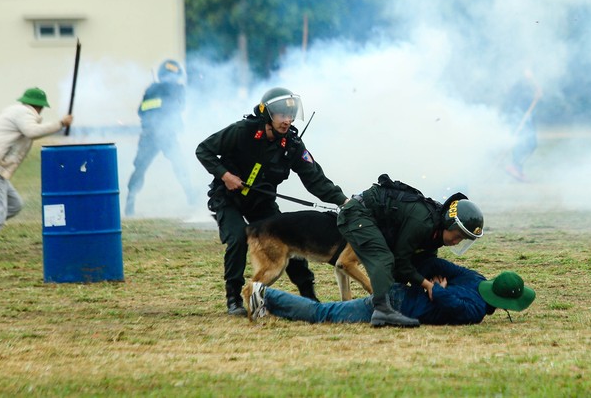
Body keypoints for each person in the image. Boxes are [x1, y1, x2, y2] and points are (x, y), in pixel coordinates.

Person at [195, 87, 349, 316]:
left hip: (261, 202)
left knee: (290, 234)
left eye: (291, 115)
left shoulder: (293, 145)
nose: (287, 120)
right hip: (227, 198)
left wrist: (343, 201)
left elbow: (315, 179)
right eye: (281, 115)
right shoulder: (242, 131)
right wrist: (225, 176)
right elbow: (203, 150)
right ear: (267, 114)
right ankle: (234, 298)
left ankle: (309, 295)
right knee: (238, 237)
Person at [336, 174, 484, 327]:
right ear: (449, 223)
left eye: (462, 240)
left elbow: (419, 264)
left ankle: (390, 302)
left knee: (403, 267)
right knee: (384, 258)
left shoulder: (435, 233)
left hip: (372, 219)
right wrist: (428, 286)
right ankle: (383, 310)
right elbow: (401, 261)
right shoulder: (423, 223)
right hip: (358, 214)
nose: (456, 242)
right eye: (458, 236)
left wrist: (436, 287)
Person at [245, 257, 535, 325]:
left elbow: (435, 263)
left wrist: (437, 285)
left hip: (398, 293)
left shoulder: (475, 277)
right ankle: (264, 294)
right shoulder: (474, 313)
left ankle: (265, 298)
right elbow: (449, 302)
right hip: (398, 305)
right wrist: (436, 289)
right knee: (324, 314)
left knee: (328, 311)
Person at [0, 87, 73, 236]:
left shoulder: (16, 111)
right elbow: (32, 131)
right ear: (41, 107)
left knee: (14, 205)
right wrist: (61, 123)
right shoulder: (25, 113)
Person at [125, 59, 196, 216]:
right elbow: (180, 107)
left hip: (149, 135)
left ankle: (129, 203)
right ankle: (191, 196)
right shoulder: (178, 88)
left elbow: (140, 111)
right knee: (179, 164)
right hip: (166, 134)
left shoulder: (151, 89)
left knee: (140, 168)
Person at [501, 68, 542, 182]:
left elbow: (538, 93)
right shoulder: (518, 85)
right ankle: (515, 167)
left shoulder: (526, 84)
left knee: (532, 143)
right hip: (518, 115)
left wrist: (532, 81)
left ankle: (516, 167)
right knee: (524, 141)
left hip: (525, 115)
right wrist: (531, 79)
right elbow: (537, 92)